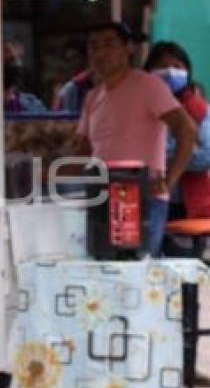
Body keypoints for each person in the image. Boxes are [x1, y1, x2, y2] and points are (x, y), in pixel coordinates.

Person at [73, 23, 196, 257]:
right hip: (102, 196)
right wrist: (46, 172)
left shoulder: (149, 85)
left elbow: (186, 130)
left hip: (143, 198)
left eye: (109, 44)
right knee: (101, 268)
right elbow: (83, 150)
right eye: (94, 47)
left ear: (128, 48)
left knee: (139, 271)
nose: (100, 53)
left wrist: (169, 181)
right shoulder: (92, 96)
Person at [144, 41, 210, 220]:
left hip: (187, 204)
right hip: (147, 199)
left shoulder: (201, 110)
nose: (170, 72)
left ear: (187, 71)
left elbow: (205, 158)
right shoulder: (140, 108)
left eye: (176, 66)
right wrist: (184, 147)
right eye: (162, 66)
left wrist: (158, 154)